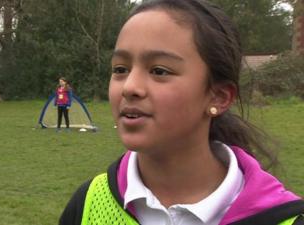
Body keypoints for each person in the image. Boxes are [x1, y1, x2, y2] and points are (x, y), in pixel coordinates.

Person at [59, 0, 304, 224]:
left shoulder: (285, 219)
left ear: (219, 97)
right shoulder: (88, 205)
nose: (130, 86)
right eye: (121, 68)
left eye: (159, 71)